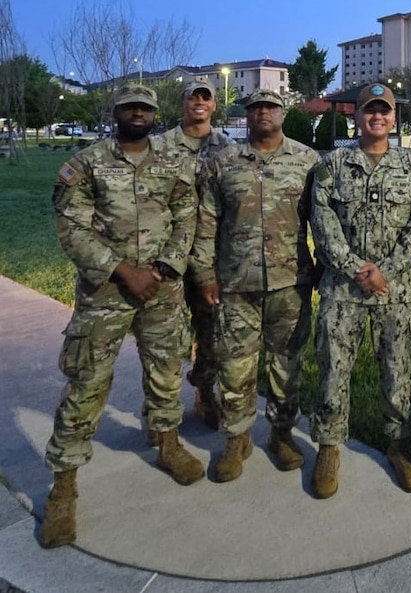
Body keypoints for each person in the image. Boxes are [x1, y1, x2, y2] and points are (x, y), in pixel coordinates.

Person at [40, 84, 203, 548]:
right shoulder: (87, 163)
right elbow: (70, 225)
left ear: (155, 114)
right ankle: (64, 485)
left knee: (167, 370)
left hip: (162, 289)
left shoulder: (173, 164)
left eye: (145, 108)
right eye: (130, 107)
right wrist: (121, 271)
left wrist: (164, 267)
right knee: (88, 382)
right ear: (116, 112)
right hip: (105, 292)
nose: (138, 113)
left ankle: (167, 442)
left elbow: (185, 217)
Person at [309, 83, 411, 499]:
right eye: (368, 111)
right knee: (333, 372)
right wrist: (356, 268)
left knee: (399, 374)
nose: (376, 117)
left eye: (384, 111)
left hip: (395, 293)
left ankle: (400, 445)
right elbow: (322, 224)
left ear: (393, 117)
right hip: (342, 292)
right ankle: (329, 446)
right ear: (356, 117)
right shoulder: (334, 164)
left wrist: (388, 271)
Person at [191, 89, 319, 482]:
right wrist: (204, 274)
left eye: (271, 107)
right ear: (246, 115)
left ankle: (281, 434)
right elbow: (206, 220)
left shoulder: (307, 161)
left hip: (289, 282)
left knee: (286, 364)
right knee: (235, 365)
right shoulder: (222, 161)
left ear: (283, 113)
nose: (263, 113)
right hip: (235, 282)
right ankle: (236, 438)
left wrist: (325, 269)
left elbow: (323, 221)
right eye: (255, 108)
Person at [143, 79, 233, 446]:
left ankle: (204, 393)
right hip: (166, 258)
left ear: (213, 106)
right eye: (192, 97)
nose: (198, 102)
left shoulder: (227, 148)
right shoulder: (159, 146)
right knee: (161, 340)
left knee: (211, 334)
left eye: (205, 97)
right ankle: (158, 412)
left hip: (211, 257)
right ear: (181, 103)